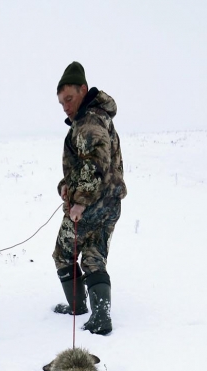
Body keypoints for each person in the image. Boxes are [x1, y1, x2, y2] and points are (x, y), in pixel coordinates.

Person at [52, 62, 127, 336]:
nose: (66, 107)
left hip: (91, 204)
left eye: (69, 99)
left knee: (63, 254)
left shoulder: (89, 121)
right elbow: (88, 164)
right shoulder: (99, 116)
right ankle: (100, 317)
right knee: (94, 256)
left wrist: (80, 200)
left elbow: (95, 161)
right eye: (61, 103)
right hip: (111, 202)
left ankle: (77, 307)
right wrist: (65, 185)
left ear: (83, 90)